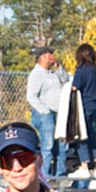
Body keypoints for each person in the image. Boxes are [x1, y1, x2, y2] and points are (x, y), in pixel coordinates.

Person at [25, 45, 70, 179]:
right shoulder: (36, 74)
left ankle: (59, 174)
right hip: (45, 115)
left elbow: (66, 81)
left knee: (62, 146)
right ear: (44, 56)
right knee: (48, 145)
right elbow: (31, 96)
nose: (53, 57)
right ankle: (44, 175)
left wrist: (58, 68)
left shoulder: (52, 73)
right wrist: (44, 111)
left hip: (59, 114)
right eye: (51, 55)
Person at [66, 43, 96, 183]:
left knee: (81, 136)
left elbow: (76, 86)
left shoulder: (81, 70)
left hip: (84, 106)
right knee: (93, 136)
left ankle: (85, 165)